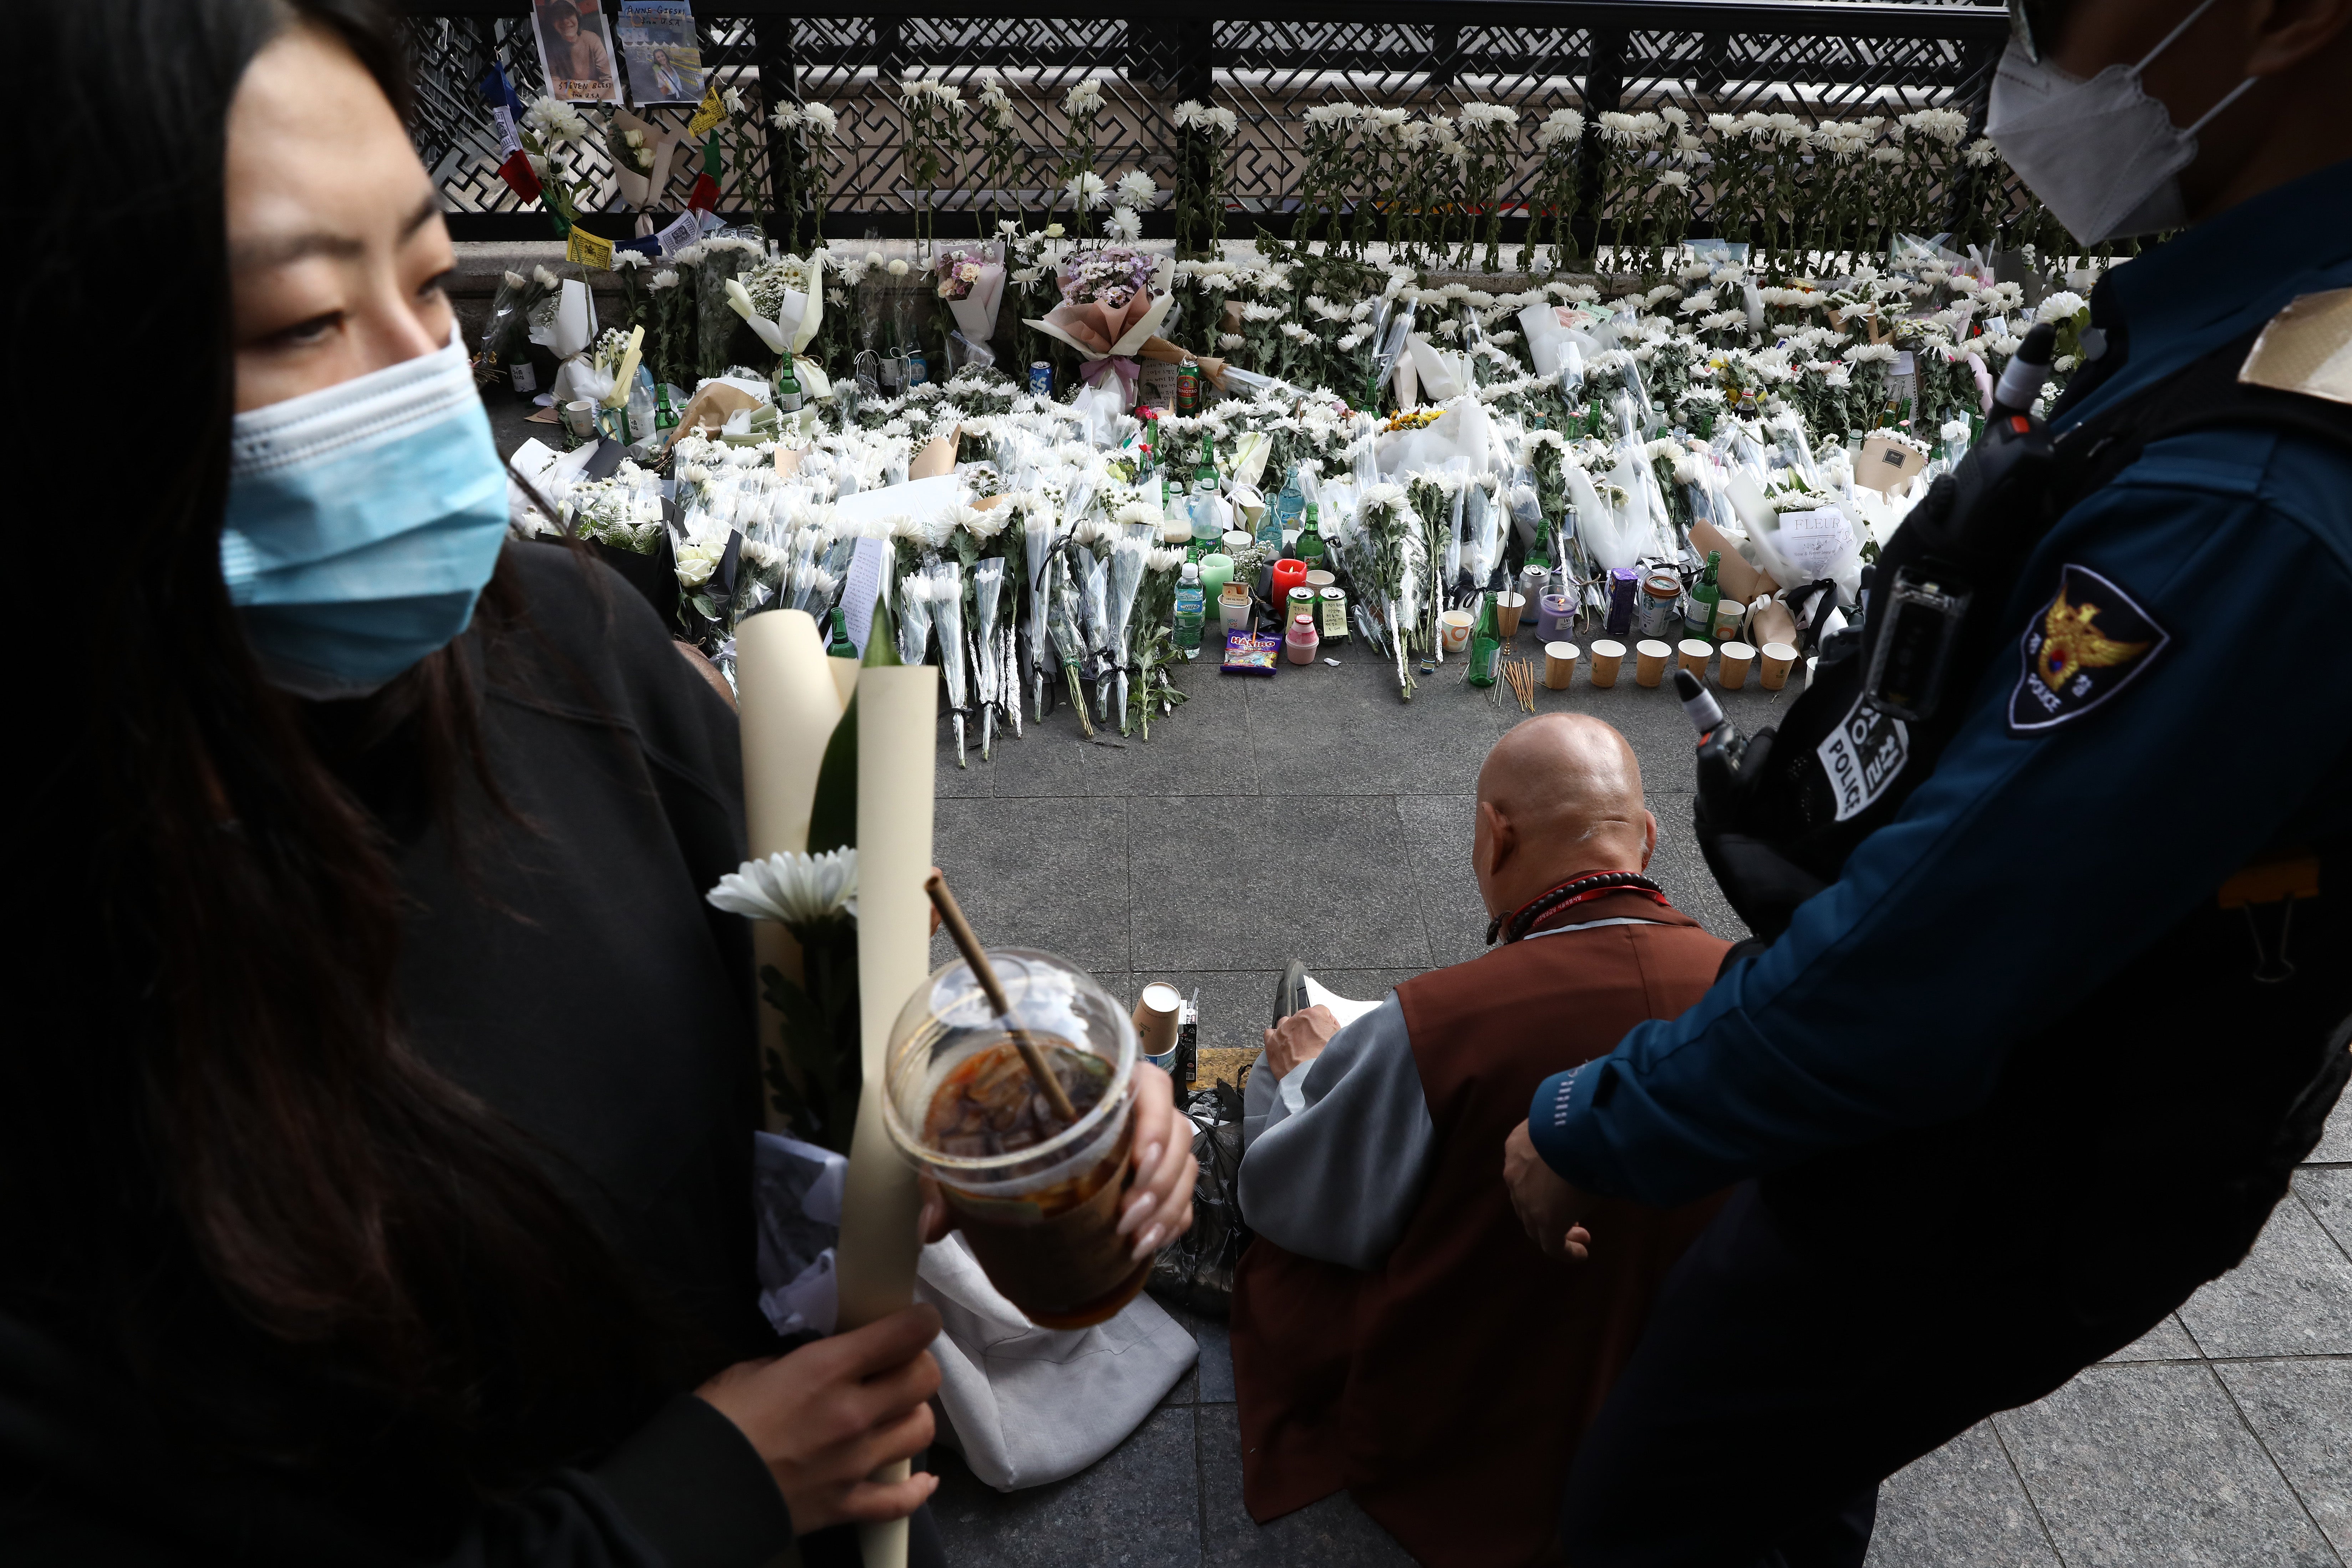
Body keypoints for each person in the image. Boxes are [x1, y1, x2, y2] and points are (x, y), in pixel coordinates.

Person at [0, 3, 1196, 1563]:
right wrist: (690, 1499)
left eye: (429, 281)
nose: (421, 376)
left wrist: (991, 1130)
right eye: (302, 323)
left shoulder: (559, 646)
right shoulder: (68, 1039)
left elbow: (819, 1032)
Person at [1502, 1, 2352, 1563]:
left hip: (2020, 1145)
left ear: (2286, 23)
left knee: (1664, 1499)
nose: (2025, 52)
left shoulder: (2262, 487)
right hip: (2026, 1090)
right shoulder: (2251, 315)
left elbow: (1944, 942)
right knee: (1792, 1453)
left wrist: (1599, 1123)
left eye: (2060, 2)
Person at [1230, 716, 1731, 1568]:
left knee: (1279, 1111)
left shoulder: (1440, 1021)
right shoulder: (1762, 1000)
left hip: (1486, 1420)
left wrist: (1298, 1079)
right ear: (1644, 840)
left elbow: (1293, 1202)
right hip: (1706, 1429)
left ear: (1495, 836)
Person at [537, 0, 612, 94]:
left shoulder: (593, 40)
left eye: (569, 13)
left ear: (577, 16)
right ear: (552, 22)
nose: (565, 21)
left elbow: (609, 79)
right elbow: (552, 81)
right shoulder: (551, 48)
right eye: (557, 15)